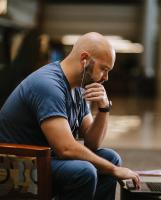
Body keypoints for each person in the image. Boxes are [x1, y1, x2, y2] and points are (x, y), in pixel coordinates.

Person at [0, 32, 140, 200]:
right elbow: (65, 149)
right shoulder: (48, 85)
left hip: (44, 160)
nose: (106, 77)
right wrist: (113, 170)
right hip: (17, 165)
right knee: (84, 172)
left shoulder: (78, 87)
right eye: (104, 69)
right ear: (84, 59)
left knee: (111, 157)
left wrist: (104, 109)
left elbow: (92, 142)